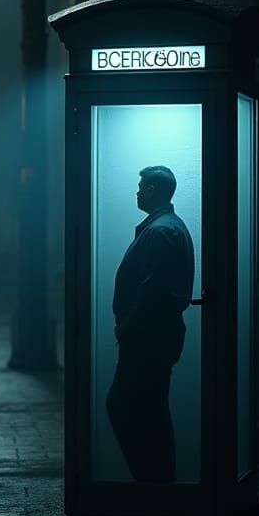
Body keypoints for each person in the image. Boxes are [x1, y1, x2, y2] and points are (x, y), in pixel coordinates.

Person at [106, 165, 195, 483]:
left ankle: (152, 483)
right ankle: (157, 483)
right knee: (151, 410)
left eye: (142, 186)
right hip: (154, 337)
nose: (138, 191)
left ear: (155, 190)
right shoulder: (167, 228)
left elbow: (151, 290)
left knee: (126, 407)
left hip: (146, 339)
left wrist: (127, 327)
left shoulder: (159, 232)